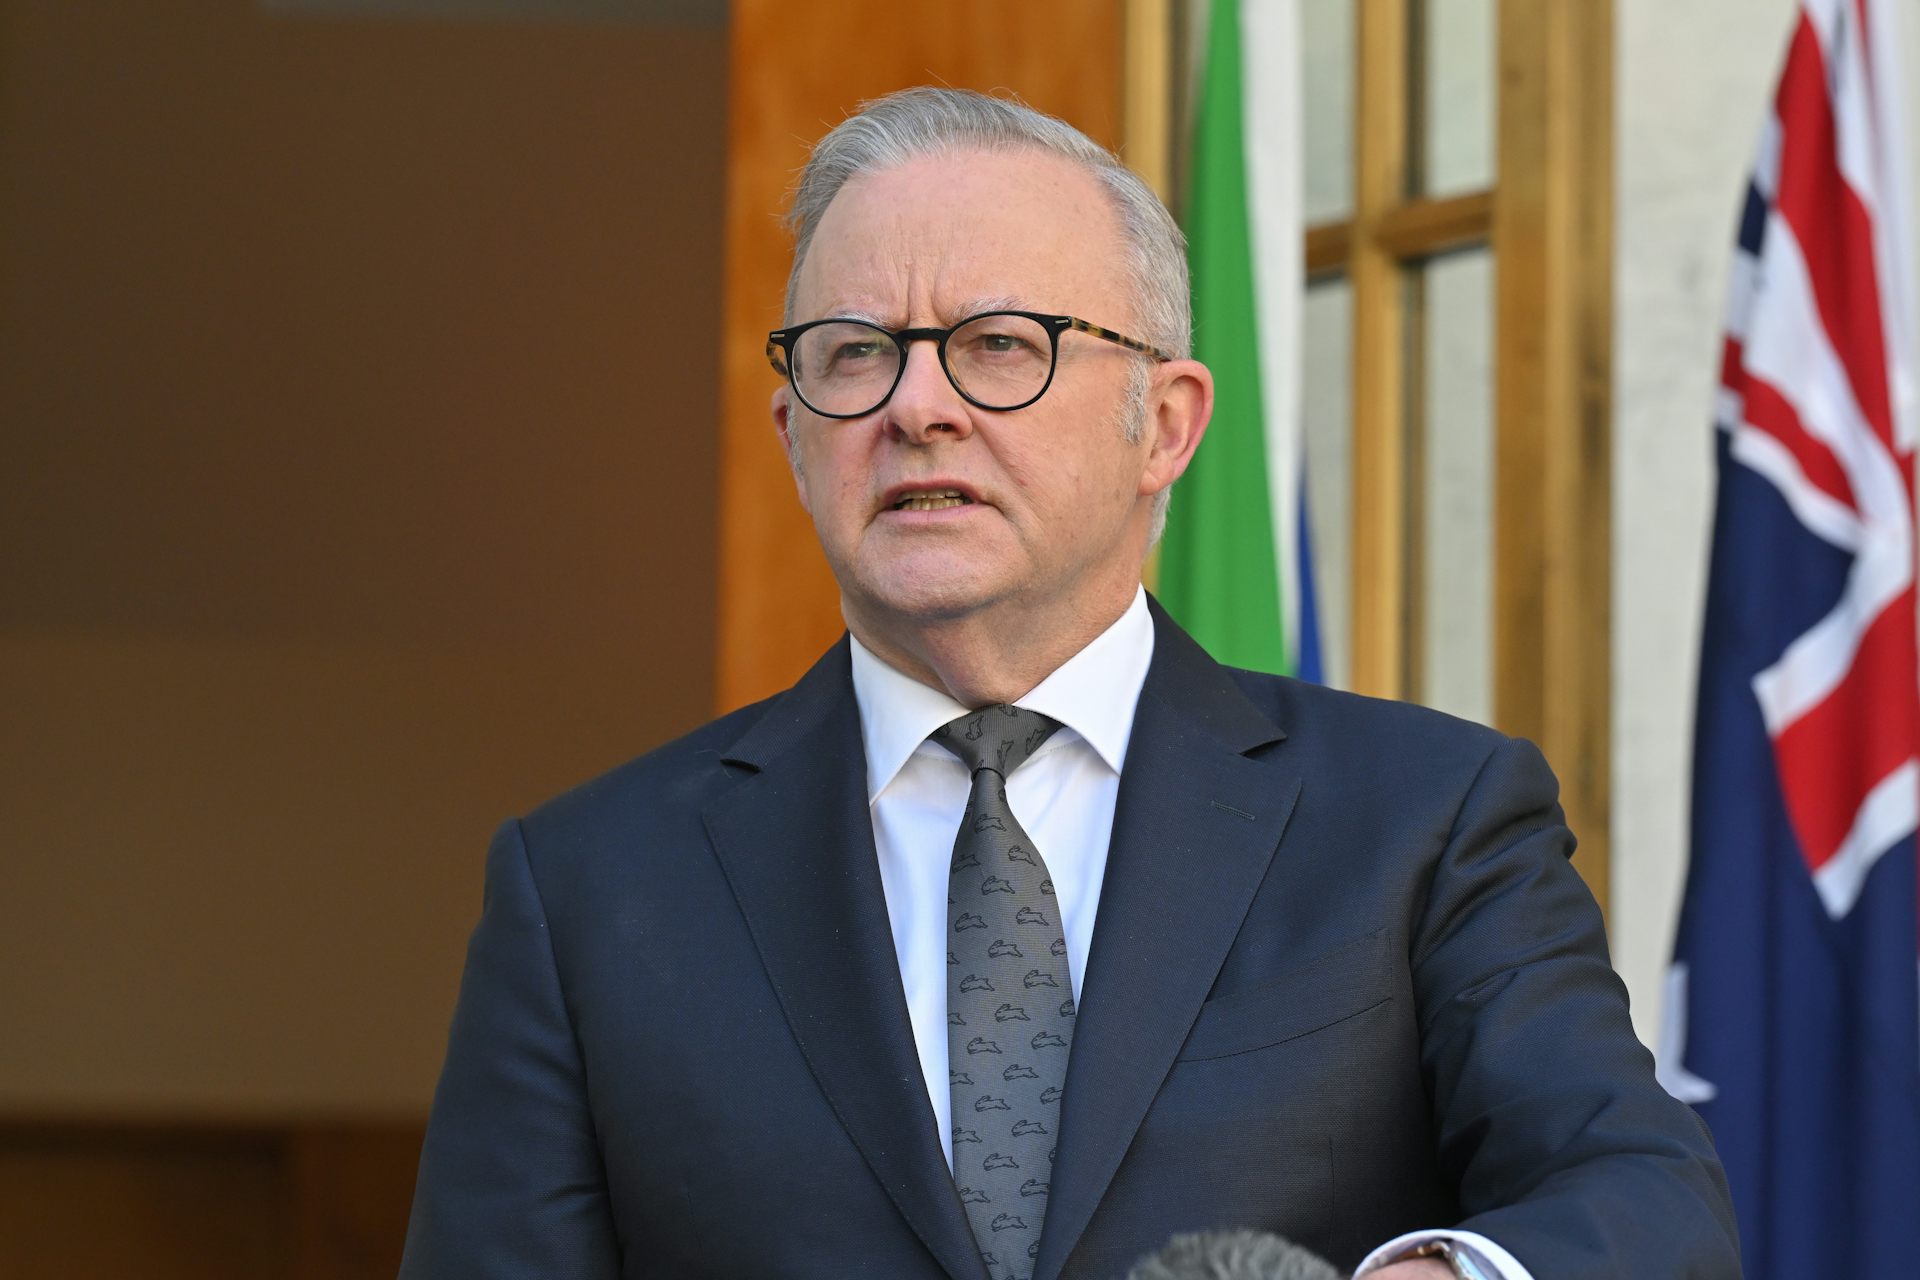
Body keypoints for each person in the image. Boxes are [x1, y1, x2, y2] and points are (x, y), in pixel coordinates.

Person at [398, 88, 1739, 1280]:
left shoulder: (1422, 821)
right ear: (793, 432)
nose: (916, 406)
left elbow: (1646, 1201)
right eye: (856, 352)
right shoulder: (588, 890)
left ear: (1164, 424)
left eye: (999, 343)